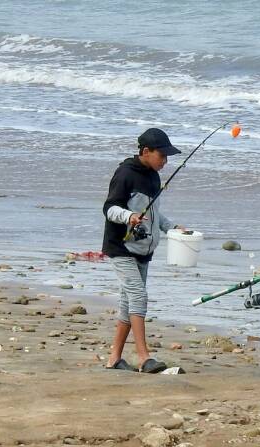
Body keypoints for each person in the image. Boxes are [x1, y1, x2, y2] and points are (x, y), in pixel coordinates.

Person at [102, 128, 186, 373]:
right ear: (146, 152)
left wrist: (172, 228)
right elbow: (109, 208)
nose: (165, 161)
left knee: (128, 303)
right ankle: (144, 357)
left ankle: (114, 359)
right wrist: (129, 216)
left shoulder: (154, 177)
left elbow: (154, 213)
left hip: (143, 250)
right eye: (162, 155)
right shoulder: (125, 174)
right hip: (121, 247)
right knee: (138, 297)